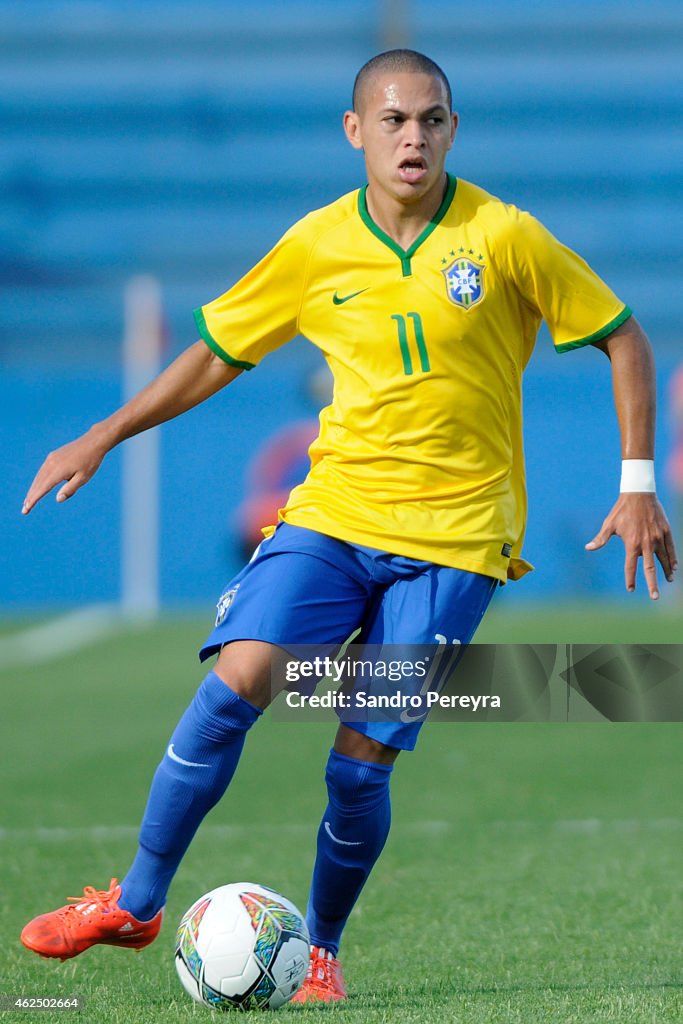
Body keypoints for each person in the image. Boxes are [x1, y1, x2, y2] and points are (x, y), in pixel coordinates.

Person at [19, 49, 677, 1002]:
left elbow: (624, 336)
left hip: (454, 539)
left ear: (452, 130)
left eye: (433, 121)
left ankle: (318, 951)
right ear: (354, 130)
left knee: (359, 762)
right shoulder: (315, 246)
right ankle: (137, 900)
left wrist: (636, 482)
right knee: (239, 674)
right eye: (396, 119)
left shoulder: (503, 236)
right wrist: (104, 434)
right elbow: (215, 353)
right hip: (334, 512)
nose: (414, 137)